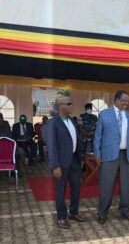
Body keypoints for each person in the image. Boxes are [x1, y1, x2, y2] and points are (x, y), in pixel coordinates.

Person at [94, 90, 129, 224]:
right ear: (116, 100)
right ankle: (102, 212)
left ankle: (125, 210)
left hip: (127, 155)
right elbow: (98, 136)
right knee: (106, 185)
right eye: (124, 101)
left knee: (126, 185)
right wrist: (97, 154)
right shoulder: (104, 114)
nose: (126, 103)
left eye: (128, 101)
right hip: (108, 155)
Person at [46, 96, 86, 229]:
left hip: (74, 161)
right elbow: (51, 146)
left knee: (76, 187)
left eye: (71, 103)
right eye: (69, 104)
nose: (71, 106)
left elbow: (76, 140)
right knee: (60, 191)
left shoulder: (71, 121)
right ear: (61, 106)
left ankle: (73, 212)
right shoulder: (53, 123)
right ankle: (61, 218)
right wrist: (55, 166)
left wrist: (80, 159)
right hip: (61, 164)